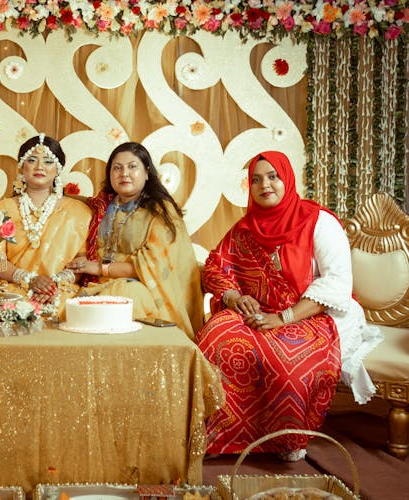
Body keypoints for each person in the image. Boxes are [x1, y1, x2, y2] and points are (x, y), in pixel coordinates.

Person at [196, 151, 383, 461]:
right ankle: (222, 435)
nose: (264, 185)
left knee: (288, 363)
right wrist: (233, 297)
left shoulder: (318, 222)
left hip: (313, 313)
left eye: (273, 176)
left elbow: (337, 283)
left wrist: (283, 317)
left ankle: (283, 439)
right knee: (217, 339)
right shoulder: (246, 227)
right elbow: (216, 266)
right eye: (256, 179)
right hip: (258, 314)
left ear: (288, 179)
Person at [66, 142, 203, 338]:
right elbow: (75, 204)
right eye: (117, 168)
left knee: (122, 294)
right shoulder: (102, 206)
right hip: (96, 284)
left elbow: (153, 264)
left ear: (147, 173)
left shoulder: (160, 211)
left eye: (132, 166)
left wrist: (98, 268)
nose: (124, 173)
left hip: (144, 290)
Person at [0, 134, 91, 318]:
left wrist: (52, 284)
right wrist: (30, 280)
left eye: (48, 161)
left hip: (61, 290)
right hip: (15, 288)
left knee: (69, 310)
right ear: (22, 166)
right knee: (11, 308)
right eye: (32, 160)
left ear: (58, 169)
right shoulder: (2, 209)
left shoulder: (79, 212)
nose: (40, 167)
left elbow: (82, 262)